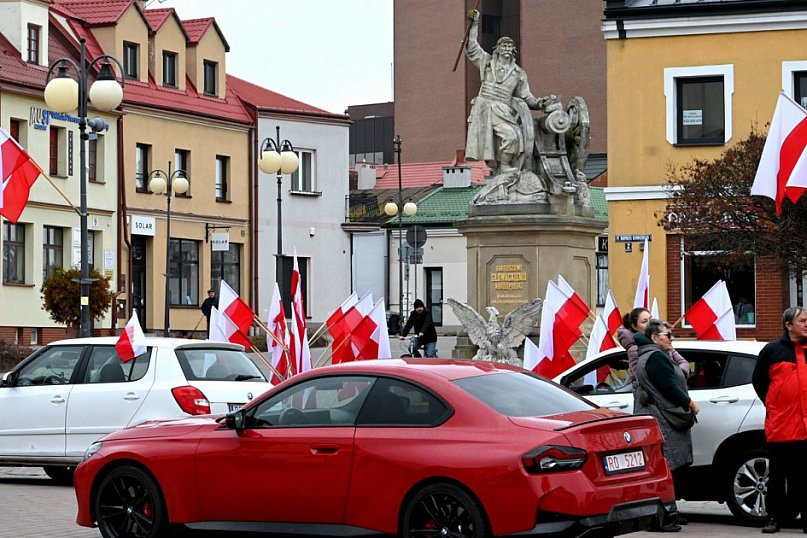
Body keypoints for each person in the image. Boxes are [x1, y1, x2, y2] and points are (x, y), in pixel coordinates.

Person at [463, 9, 559, 176]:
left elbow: (526, 96)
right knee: (503, 139)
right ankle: (503, 167)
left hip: (503, 110)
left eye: (510, 46)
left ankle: (506, 165)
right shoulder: (487, 62)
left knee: (513, 137)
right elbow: (472, 48)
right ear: (497, 49)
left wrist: (540, 103)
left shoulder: (518, 73)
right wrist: (475, 24)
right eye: (504, 45)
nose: (507, 48)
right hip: (485, 108)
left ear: (513, 50)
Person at [635, 319, 699, 532]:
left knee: (670, 468)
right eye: (668, 335)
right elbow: (669, 386)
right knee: (665, 469)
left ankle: (670, 512)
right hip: (663, 418)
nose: (672, 338)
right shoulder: (655, 358)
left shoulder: (654, 355)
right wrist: (689, 403)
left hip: (663, 416)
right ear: (654, 338)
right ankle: (659, 519)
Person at [751, 306, 807, 534]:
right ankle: (774, 517)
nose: (806, 324)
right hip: (782, 424)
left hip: (805, 425)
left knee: (803, 474)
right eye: (802, 320)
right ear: (788, 325)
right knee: (777, 475)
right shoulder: (772, 350)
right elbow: (759, 381)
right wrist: (774, 406)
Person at [618, 307, 689, 390]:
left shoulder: (663, 342)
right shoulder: (634, 349)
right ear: (634, 326)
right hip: (653, 398)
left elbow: (683, 363)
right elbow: (643, 378)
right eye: (644, 321)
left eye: (650, 319)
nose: (649, 324)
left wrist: (674, 376)